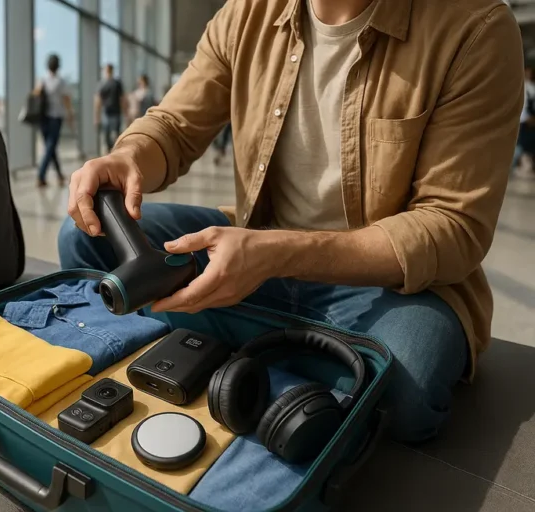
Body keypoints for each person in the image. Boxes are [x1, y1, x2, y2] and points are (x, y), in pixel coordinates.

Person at [59, 0, 523, 443]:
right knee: (85, 241)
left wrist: (277, 254)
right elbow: (176, 127)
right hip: (252, 244)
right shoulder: (247, 14)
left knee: (408, 386)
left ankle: (211, 335)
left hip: (383, 282)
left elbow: (451, 226)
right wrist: (128, 157)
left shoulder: (473, 28)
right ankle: (307, 360)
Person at [37, 54, 75, 187]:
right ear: (58, 66)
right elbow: (66, 100)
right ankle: (41, 175)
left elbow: (36, 95)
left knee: (50, 147)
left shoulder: (42, 79)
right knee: (50, 146)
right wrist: (70, 114)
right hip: (55, 117)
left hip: (43, 118)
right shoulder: (61, 81)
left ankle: (59, 175)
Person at [95, 64, 127, 153]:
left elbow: (122, 99)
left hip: (114, 111)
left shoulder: (115, 83)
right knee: (108, 135)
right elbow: (98, 100)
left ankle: (114, 152)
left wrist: (125, 112)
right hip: (108, 112)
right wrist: (97, 116)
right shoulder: (103, 84)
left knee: (114, 134)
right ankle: (111, 151)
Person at [512, 66, 535, 175]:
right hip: (523, 121)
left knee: (527, 147)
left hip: (530, 120)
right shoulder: (522, 86)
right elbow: (522, 105)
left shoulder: (531, 86)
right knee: (520, 146)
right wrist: (526, 118)